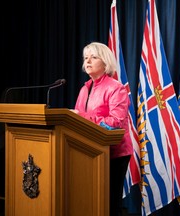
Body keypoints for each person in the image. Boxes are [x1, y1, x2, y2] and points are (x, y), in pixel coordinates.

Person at [72, 42, 133, 216]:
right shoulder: (85, 89)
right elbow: (75, 120)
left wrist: (81, 116)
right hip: (88, 150)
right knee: (92, 199)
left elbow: (115, 123)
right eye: (86, 58)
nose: (88, 61)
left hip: (113, 152)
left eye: (93, 57)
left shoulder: (116, 88)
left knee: (109, 202)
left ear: (105, 62)